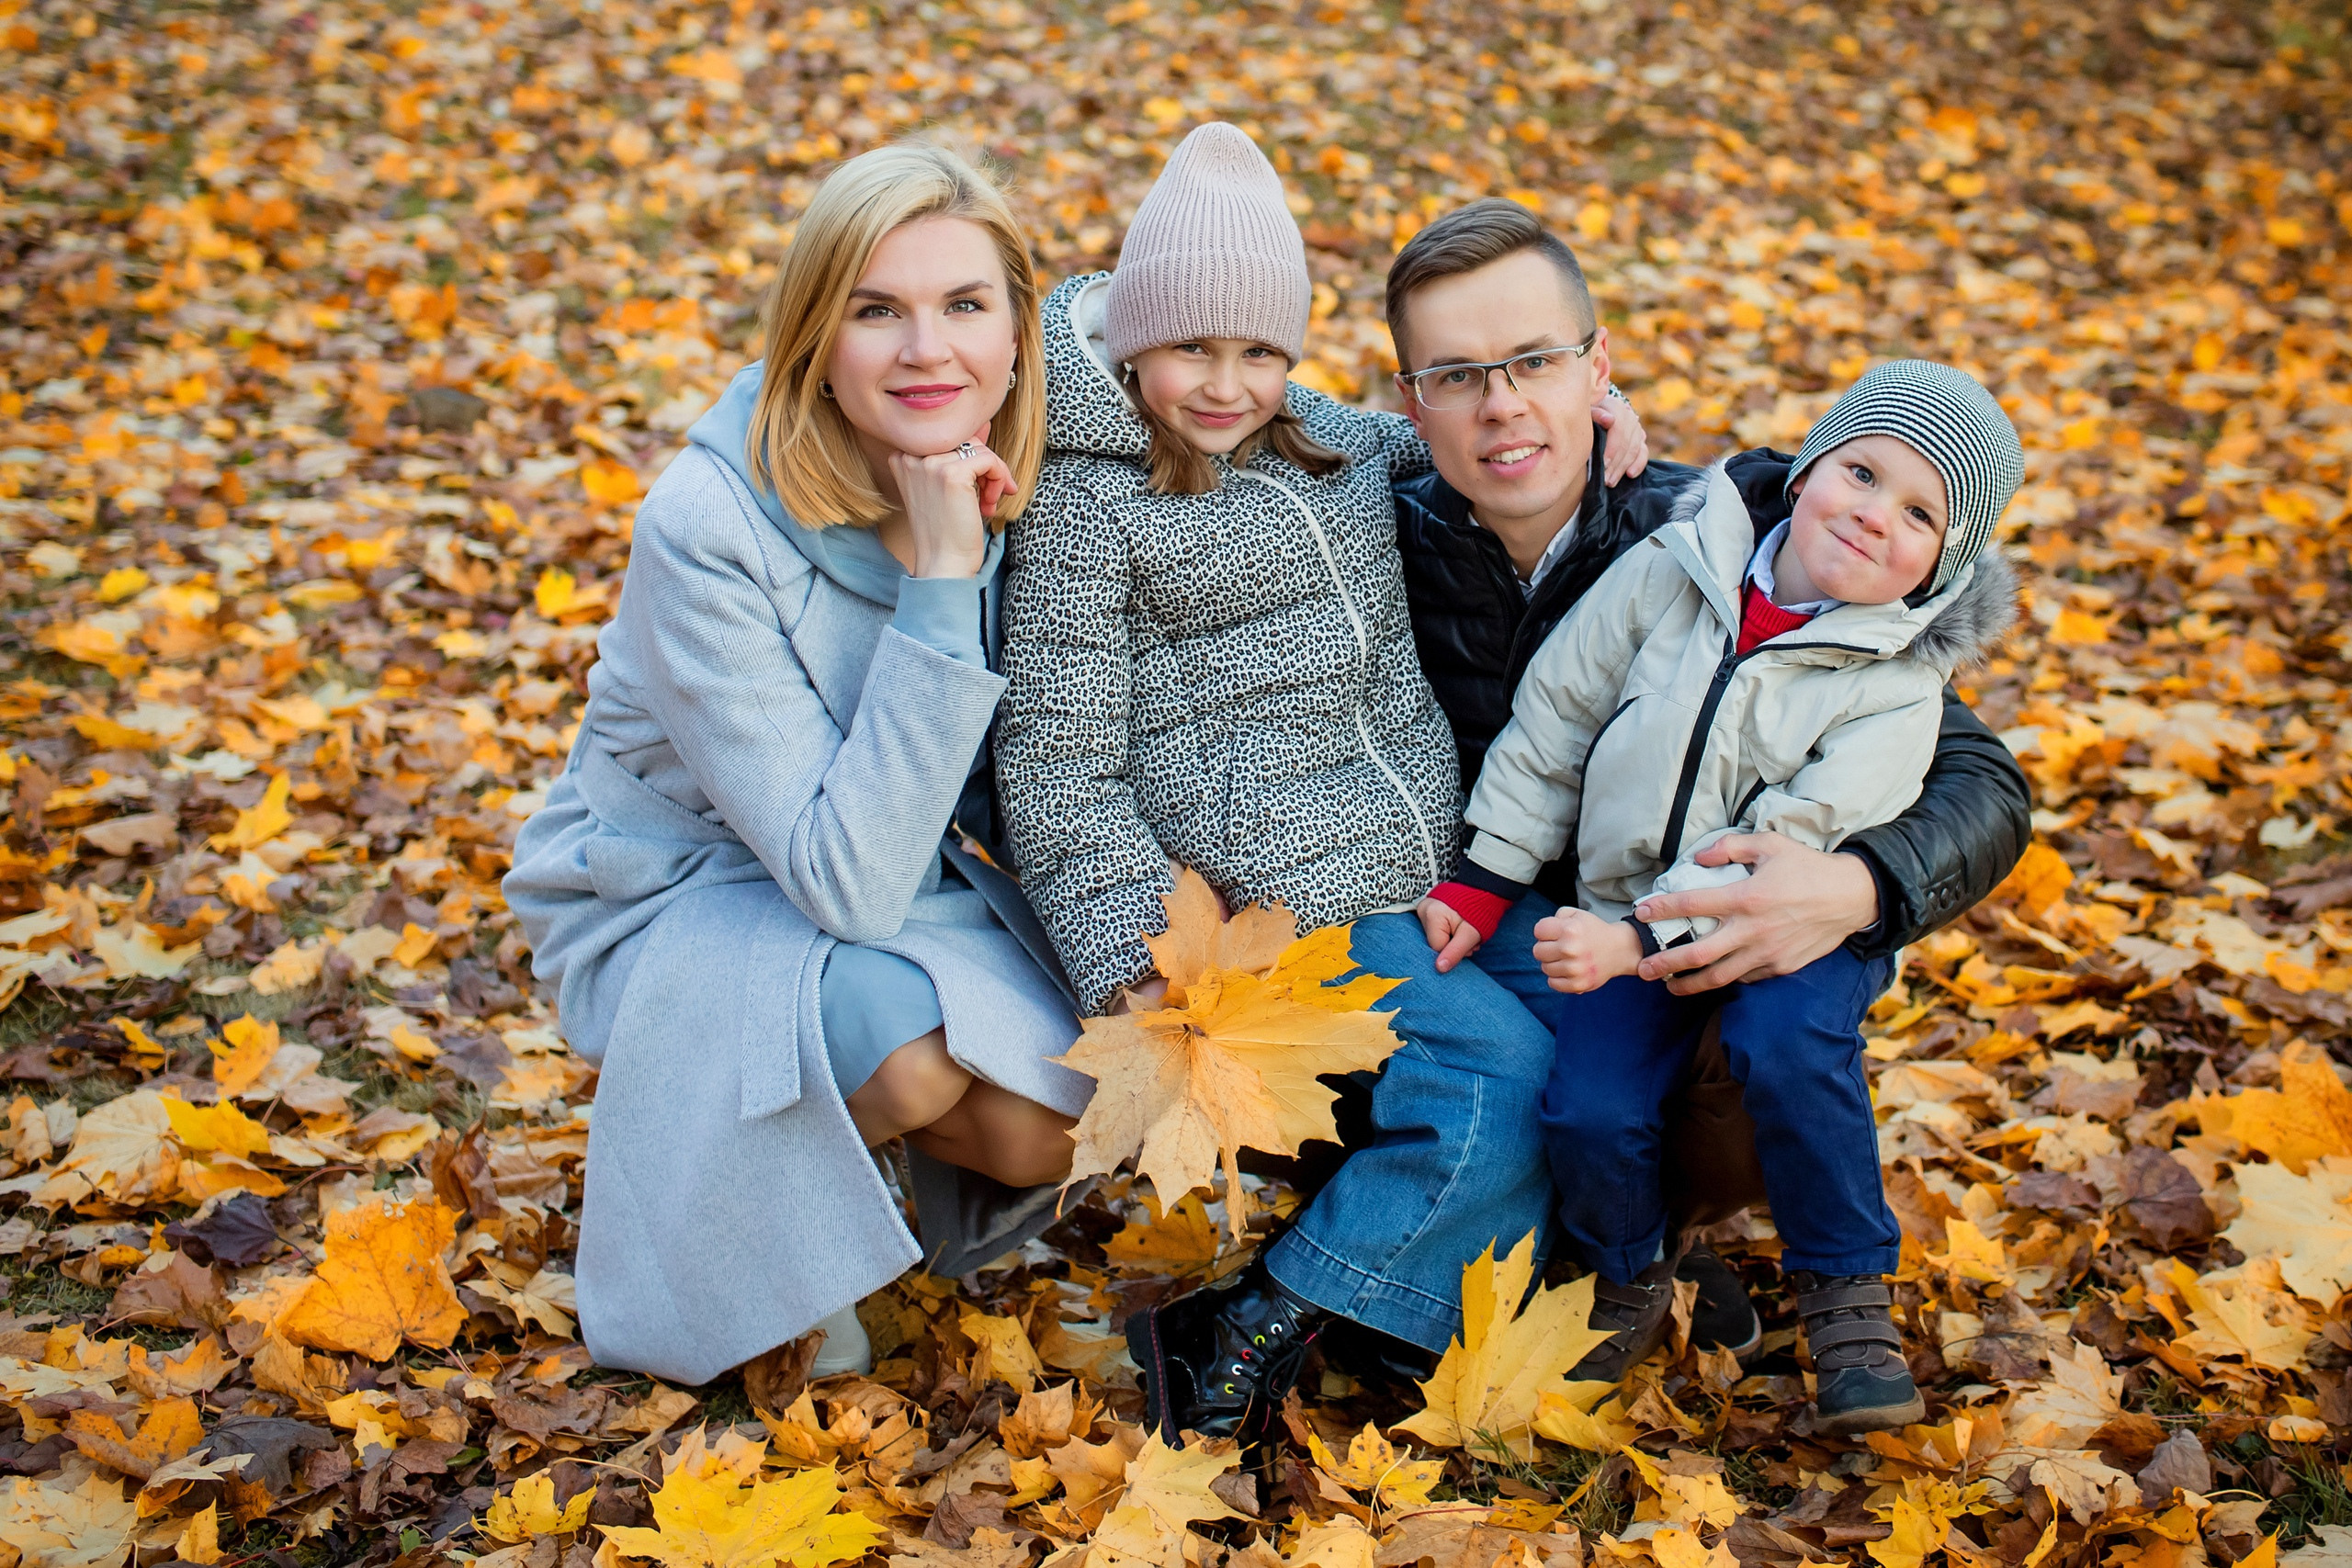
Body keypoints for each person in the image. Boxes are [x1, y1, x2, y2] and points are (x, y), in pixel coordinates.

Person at [994, 123, 1644, 1441]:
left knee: (1598, 1052)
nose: (1226, 386)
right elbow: (1057, 762)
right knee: (1494, 1084)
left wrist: (1598, 412)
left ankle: (1441, 1306)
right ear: (1131, 342)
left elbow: (1445, 437)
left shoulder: (1321, 441)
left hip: (1433, 867)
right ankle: (1247, 1324)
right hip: (1277, 902)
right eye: (1191, 350)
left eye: (1260, 352)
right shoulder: (1085, 509)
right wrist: (1143, 954)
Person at [1381, 199, 2034, 1359]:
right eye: (1457, 375)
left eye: (1536, 361)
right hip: (1473, 911)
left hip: (1665, 929)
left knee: (1755, 1042)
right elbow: (1231, 401)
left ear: (1600, 371)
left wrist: (1862, 886)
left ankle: (1671, 1235)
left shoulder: (1690, 533)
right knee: (1513, 1062)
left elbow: (1976, 774)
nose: (1503, 404)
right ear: (1408, 399)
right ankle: (1565, 1254)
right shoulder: (1368, 519)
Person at [503, 142, 1093, 1387]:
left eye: (964, 306)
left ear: (1018, 330)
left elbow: (1235, 393)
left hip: (924, 871)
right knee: (910, 1052)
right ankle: (768, 1238)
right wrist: (938, 585)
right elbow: (844, 884)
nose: (929, 350)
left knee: (1056, 1130)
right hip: (694, 888)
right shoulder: (708, 522)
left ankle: (865, 1179)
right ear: (816, 336)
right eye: (877, 311)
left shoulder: (1046, 457)